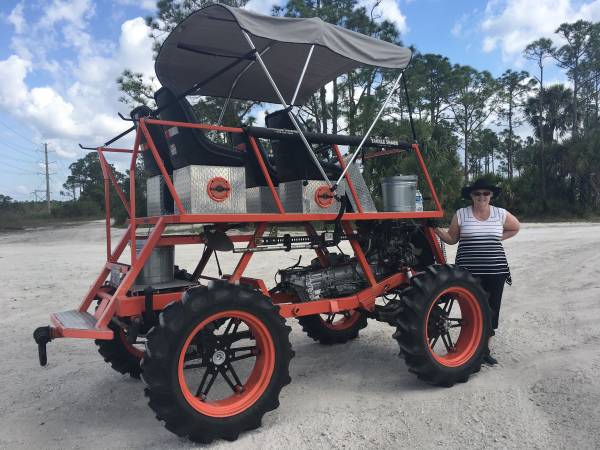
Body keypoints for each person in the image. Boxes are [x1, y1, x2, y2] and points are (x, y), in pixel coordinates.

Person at [434, 178, 520, 366]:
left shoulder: (500, 214)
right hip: (467, 273)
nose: (482, 196)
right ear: (471, 196)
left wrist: (496, 238)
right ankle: (471, 348)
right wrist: (435, 229)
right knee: (471, 310)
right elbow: (451, 239)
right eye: (477, 193)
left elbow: (516, 227)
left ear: (491, 196)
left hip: (495, 271)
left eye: (485, 193)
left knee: (492, 309)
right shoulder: (462, 214)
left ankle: (485, 350)